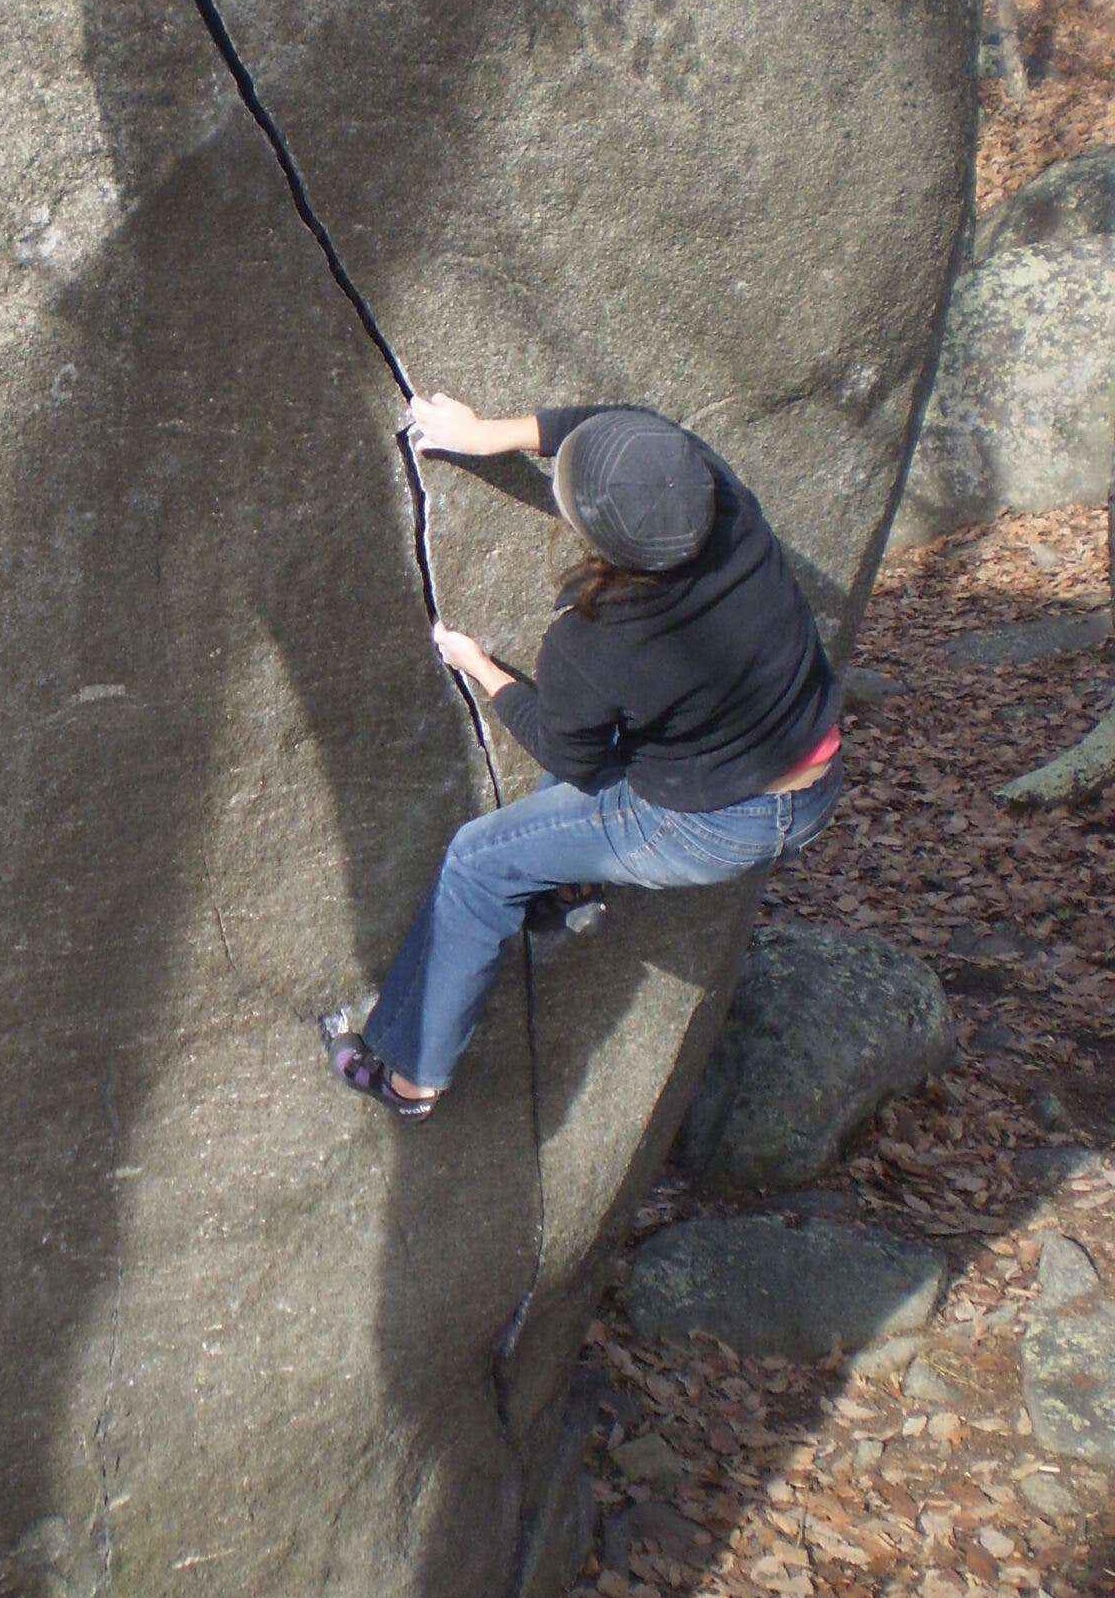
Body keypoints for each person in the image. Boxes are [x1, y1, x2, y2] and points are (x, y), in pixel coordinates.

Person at [326, 396, 844, 1120]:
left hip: (716, 824)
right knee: (619, 738)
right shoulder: (717, 498)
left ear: (585, 529)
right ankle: (568, 890)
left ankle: (411, 1076)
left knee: (478, 862)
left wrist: (481, 668)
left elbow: (566, 754)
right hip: (815, 767)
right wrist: (482, 435)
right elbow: (621, 429)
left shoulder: (594, 639)